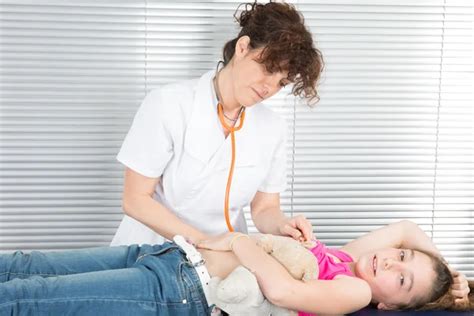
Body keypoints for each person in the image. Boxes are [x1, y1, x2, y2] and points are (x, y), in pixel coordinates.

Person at [110, 1, 323, 247]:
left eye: (281, 83)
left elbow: (265, 207)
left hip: (224, 259)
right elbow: (135, 199)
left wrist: (282, 225)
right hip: (152, 250)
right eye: (268, 68)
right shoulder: (168, 104)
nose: (269, 88)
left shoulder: (272, 127)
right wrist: (205, 242)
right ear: (243, 47)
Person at [1, 220, 472, 315]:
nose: (392, 259)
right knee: (27, 264)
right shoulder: (348, 259)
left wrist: (240, 242)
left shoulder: (358, 293)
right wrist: (449, 278)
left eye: (402, 277)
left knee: (29, 298)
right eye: (403, 257)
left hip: (181, 291)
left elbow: (286, 293)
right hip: (167, 255)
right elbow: (406, 227)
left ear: (389, 303)